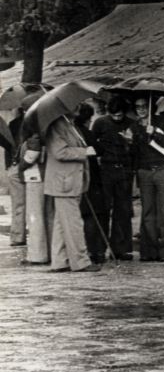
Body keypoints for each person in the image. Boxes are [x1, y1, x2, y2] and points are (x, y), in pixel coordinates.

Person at [42, 112, 100, 273]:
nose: (78, 107)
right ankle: (81, 262)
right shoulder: (56, 125)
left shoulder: (70, 124)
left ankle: (60, 261)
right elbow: (59, 152)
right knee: (74, 223)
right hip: (64, 182)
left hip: (71, 181)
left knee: (62, 223)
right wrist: (84, 152)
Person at [131, 96, 164, 262]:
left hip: (163, 170)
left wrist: (155, 133)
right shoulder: (135, 126)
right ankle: (149, 251)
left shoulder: (162, 121)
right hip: (145, 172)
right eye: (138, 107)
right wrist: (134, 138)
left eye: (144, 106)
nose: (141, 110)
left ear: (150, 107)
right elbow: (136, 151)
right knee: (148, 212)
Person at [89, 95, 135, 261]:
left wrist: (130, 142)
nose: (117, 118)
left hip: (124, 171)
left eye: (120, 115)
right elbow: (92, 144)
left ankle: (120, 248)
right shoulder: (100, 123)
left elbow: (136, 149)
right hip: (106, 171)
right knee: (103, 209)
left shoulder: (130, 124)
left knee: (123, 211)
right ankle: (99, 248)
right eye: (114, 115)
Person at [75, 103, 107, 264]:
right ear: (88, 119)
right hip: (90, 179)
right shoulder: (85, 133)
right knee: (91, 216)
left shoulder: (73, 132)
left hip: (76, 178)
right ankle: (95, 251)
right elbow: (100, 149)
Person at [3, 107, 27, 248]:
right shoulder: (36, 121)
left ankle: (18, 236)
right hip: (27, 164)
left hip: (15, 164)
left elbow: (6, 143)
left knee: (18, 203)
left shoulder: (13, 123)